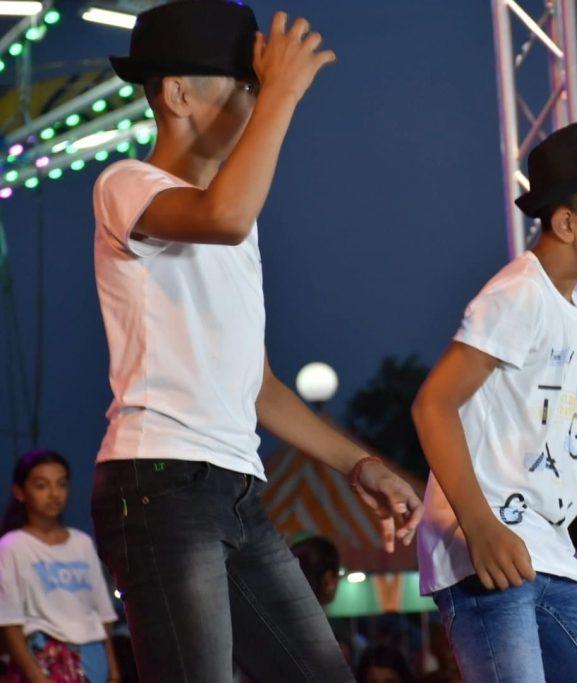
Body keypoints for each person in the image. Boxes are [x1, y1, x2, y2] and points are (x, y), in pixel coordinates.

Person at [90, 3, 422, 681]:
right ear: (178, 94)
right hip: (159, 484)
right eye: (245, 83)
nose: (256, 96)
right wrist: (284, 93)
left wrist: (361, 464)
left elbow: (260, 387)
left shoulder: (236, 221)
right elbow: (226, 215)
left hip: (237, 490)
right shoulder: (127, 184)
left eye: (258, 85)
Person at [413, 115, 577, 681]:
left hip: (548, 548)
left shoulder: (573, 308)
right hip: (488, 542)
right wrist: (479, 525)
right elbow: (433, 405)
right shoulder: (519, 294)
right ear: (565, 221)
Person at [0, 449, 121, 683]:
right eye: (41, 485)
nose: (54, 494)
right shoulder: (12, 546)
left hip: (93, 660)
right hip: (46, 659)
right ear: (20, 491)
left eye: (61, 484)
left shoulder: (82, 543)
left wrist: (113, 671)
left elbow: (103, 614)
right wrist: (37, 677)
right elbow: (10, 622)